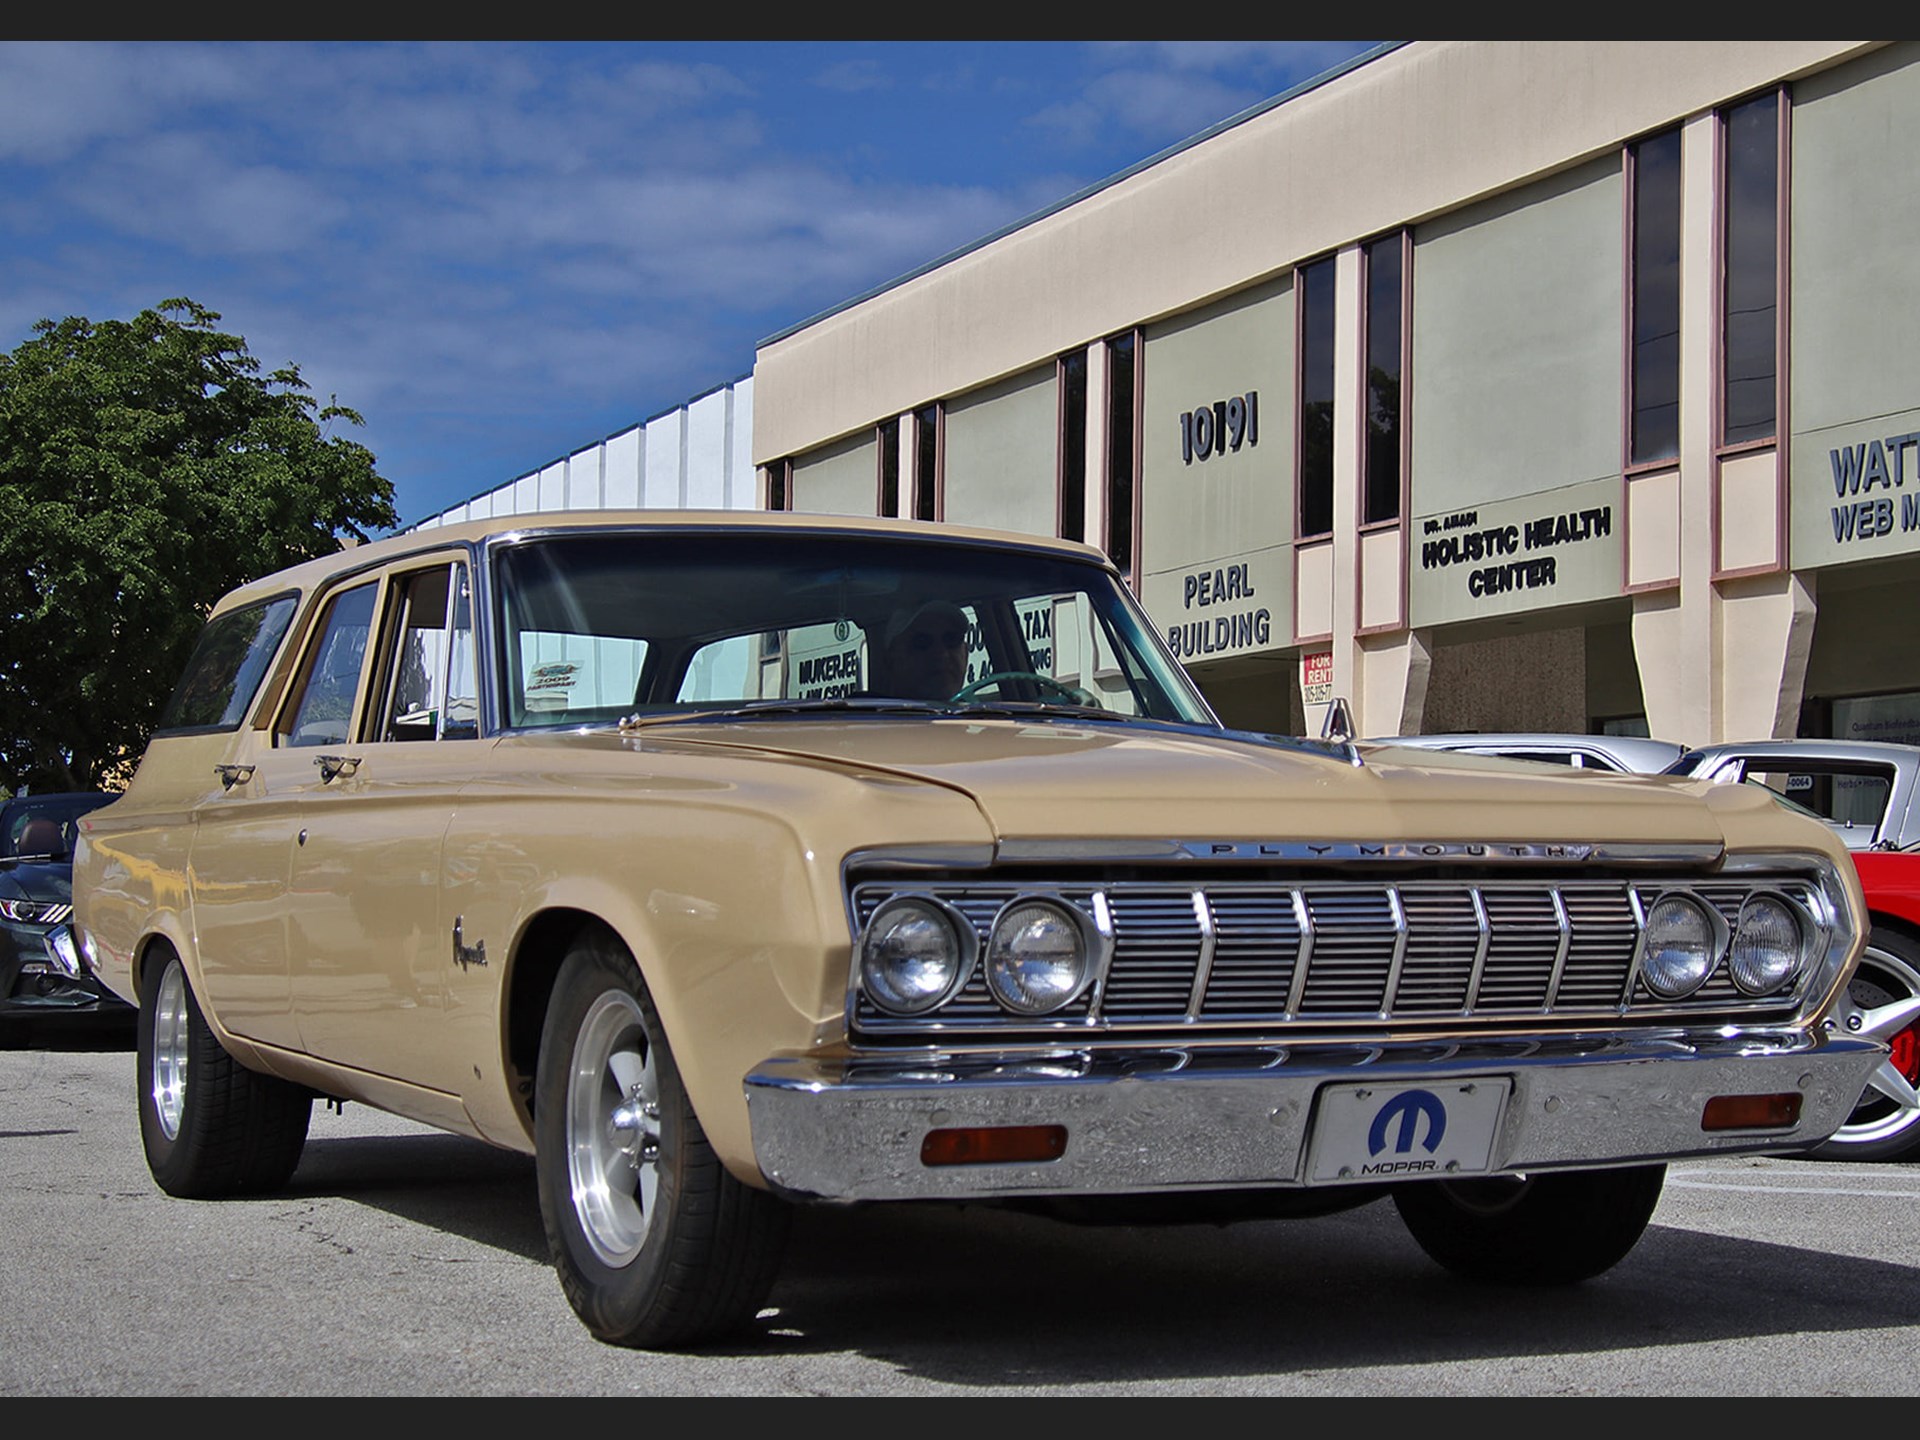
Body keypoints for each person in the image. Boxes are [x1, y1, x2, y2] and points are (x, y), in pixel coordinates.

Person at [874, 599, 970, 702]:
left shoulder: (983, 714)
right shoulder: (866, 716)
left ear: (966, 653)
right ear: (891, 661)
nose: (941, 654)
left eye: (952, 639)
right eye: (922, 642)